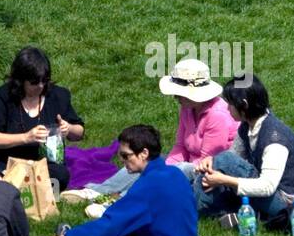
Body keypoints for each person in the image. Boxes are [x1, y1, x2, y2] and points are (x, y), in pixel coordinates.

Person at [60, 57, 239, 205]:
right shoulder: (187, 108)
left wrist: (166, 171)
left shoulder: (218, 116)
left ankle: (123, 200)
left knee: (179, 168)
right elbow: (179, 146)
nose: (175, 97)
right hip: (185, 166)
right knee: (144, 159)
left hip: (207, 173)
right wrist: (162, 167)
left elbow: (205, 162)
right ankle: (95, 191)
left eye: (179, 92)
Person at [42, 125, 203, 236]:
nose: (122, 161)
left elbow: (110, 225)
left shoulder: (148, 186)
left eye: (126, 156)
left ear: (144, 153)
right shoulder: (174, 173)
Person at [194, 74, 294, 225]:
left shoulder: (274, 138)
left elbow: (267, 186)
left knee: (225, 164)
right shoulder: (248, 125)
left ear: (243, 105)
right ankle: (207, 209)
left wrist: (224, 180)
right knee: (221, 162)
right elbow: (232, 158)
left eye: (230, 103)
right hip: (274, 194)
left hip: (291, 204)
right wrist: (211, 161)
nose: (227, 107)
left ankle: (194, 211)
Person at [0, 47, 84, 192]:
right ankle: (24, 187)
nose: (41, 86)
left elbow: (79, 132)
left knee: (60, 175)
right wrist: (26, 137)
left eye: (44, 81)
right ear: (21, 80)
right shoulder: (5, 95)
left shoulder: (58, 96)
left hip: (45, 166)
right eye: (35, 82)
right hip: (8, 162)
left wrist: (69, 129)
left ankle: (15, 187)